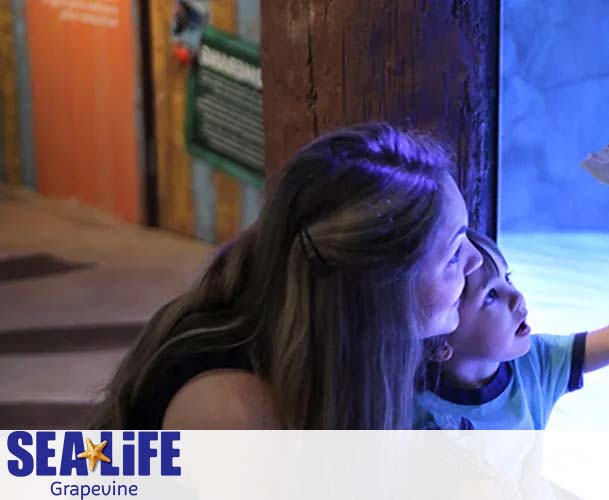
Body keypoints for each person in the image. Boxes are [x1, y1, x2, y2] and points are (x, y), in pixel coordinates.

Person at [91, 122, 483, 430]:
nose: (475, 262)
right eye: (452, 254)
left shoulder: (335, 352)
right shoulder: (233, 412)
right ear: (374, 291)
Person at [417, 225, 609, 430]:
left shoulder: (535, 363)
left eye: (508, 279)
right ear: (442, 343)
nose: (517, 297)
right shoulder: (406, 400)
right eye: (491, 296)